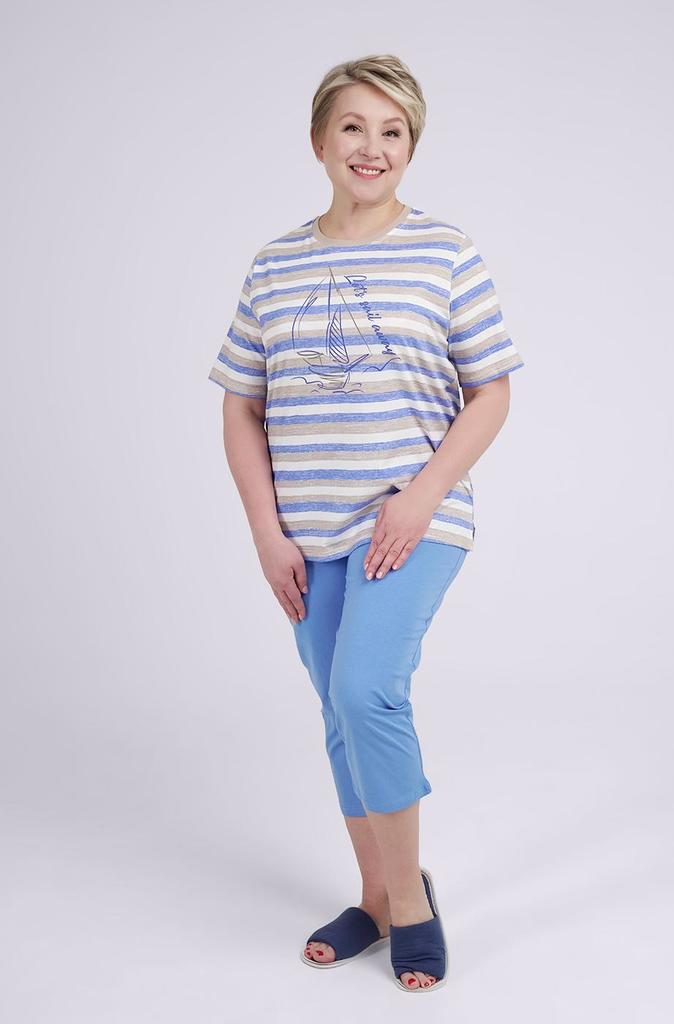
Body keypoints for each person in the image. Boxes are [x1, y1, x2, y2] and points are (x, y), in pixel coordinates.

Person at [208, 53, 525, 992]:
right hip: (305, 533)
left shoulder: (445, 252)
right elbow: (240, 405)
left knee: (365, 691)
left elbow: (491, 390)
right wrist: (267, 533)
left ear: (410, 148)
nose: (372, 146)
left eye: (392, 131)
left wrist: (420, 496)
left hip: (413, 521)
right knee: (338, 710)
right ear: (319, 141)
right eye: (353, 126)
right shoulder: (274, 265)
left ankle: (412, 905)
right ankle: (377, 897)